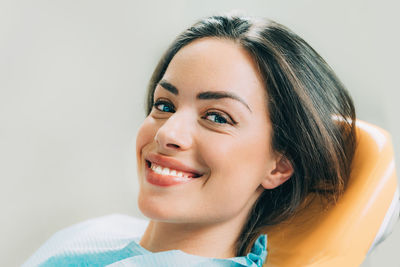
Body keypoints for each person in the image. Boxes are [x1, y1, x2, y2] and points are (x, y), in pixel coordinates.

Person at [23, 13, 356, 266]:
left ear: (279, 165)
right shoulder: (100, 233)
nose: (168, 133)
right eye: (164, 105)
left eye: (216, 117)